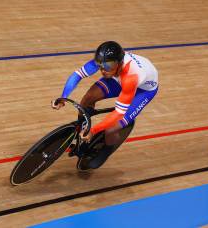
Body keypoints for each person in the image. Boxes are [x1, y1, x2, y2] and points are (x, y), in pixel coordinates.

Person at [52, 41, 159, 169]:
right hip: (117, 78)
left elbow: (119, 112)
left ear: (119, 63)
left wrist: (94, 130)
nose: (103, 70)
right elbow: (78, 75)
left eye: (108, 66)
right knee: (88, 98)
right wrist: (64, 96)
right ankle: (83, 131)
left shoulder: (131, 76)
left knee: (111, 128)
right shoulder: (106, 61)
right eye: (100, 65)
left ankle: (106, 150)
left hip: (143, 90)